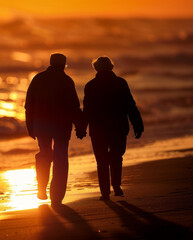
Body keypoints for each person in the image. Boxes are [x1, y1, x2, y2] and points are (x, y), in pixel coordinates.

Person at [78, 56, 143, 200]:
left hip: (98, 129)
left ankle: (105, 193)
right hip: (118, 127)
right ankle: (117, 186)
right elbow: (130, 106)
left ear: (96, 68)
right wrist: (137, 124)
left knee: (101, 161)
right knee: (116, 157)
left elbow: (87, 110)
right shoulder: (120, 83)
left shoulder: (91, 86)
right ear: (111, 67)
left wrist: (81, 128)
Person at [25, 53, 85, 205]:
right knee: (60, 159)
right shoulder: (66, 81)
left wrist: (30, 126)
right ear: (64, 65)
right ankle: (56, 196)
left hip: (41, 126)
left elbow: (28, 105)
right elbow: (74, 107)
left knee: (45, 154)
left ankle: (41, 187)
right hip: (61, 127)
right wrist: (80, 127)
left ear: (51, 63)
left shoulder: (38, 79)